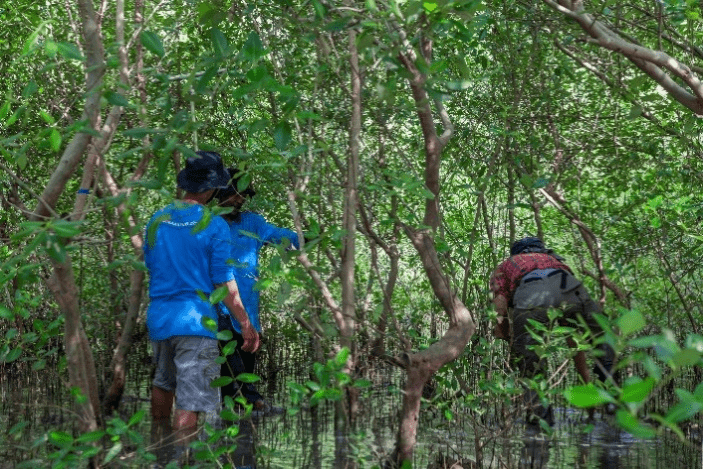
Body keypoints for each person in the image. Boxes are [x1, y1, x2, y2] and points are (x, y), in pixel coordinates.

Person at [144, 151, 260, 464]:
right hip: (196, 322)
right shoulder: (213, 225)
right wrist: (245, 324)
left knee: (163, 382)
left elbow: (152, 264)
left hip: (160, 319)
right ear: (210, 190)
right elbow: (224, 284)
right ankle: (182, 460)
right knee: (191, 400)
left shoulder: (156, 219)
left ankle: (160, 449)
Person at [490, 236, 615, 423]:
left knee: (530, 364)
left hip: (531, 293)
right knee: (602, 339)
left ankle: (539, 420)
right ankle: (611, 399)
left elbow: (499, 306)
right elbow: (572, 336)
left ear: (515, 253)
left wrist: (504, 332)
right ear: (541, 249)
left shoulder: (506, 265)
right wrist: (586, 382)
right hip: (569, 286)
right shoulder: (555, 261)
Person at [215, 167, 300, 411]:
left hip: (248, 311)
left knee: (245, 364)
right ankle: (253, 405)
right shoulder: (209, 225)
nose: (239, 200)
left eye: (243, 195)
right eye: (235, 194)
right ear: (220, 192)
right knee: (232, 370)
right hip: (219, 310)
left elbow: (277, 235)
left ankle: (241, 431)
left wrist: (307, 237)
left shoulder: (252, 222)